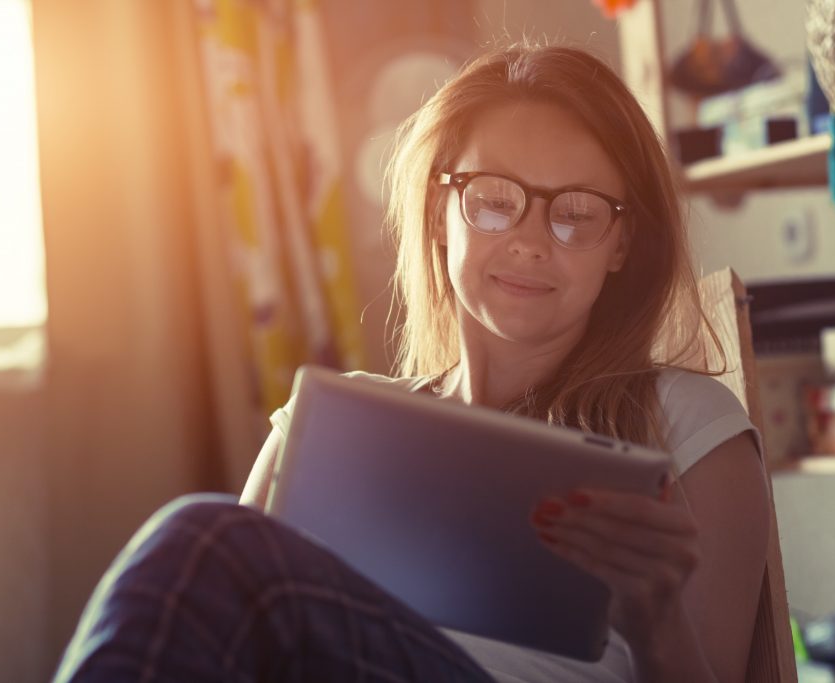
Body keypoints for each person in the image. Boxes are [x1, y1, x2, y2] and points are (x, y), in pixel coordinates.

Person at [53, 42, 770, 683]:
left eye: (576, 214)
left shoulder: (691, 426)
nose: (529, 241)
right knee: (205, 546)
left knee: (201, 538)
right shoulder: (326, 425)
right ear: (438, 211)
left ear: (619, 243)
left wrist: (658, 620)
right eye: (494, 201)